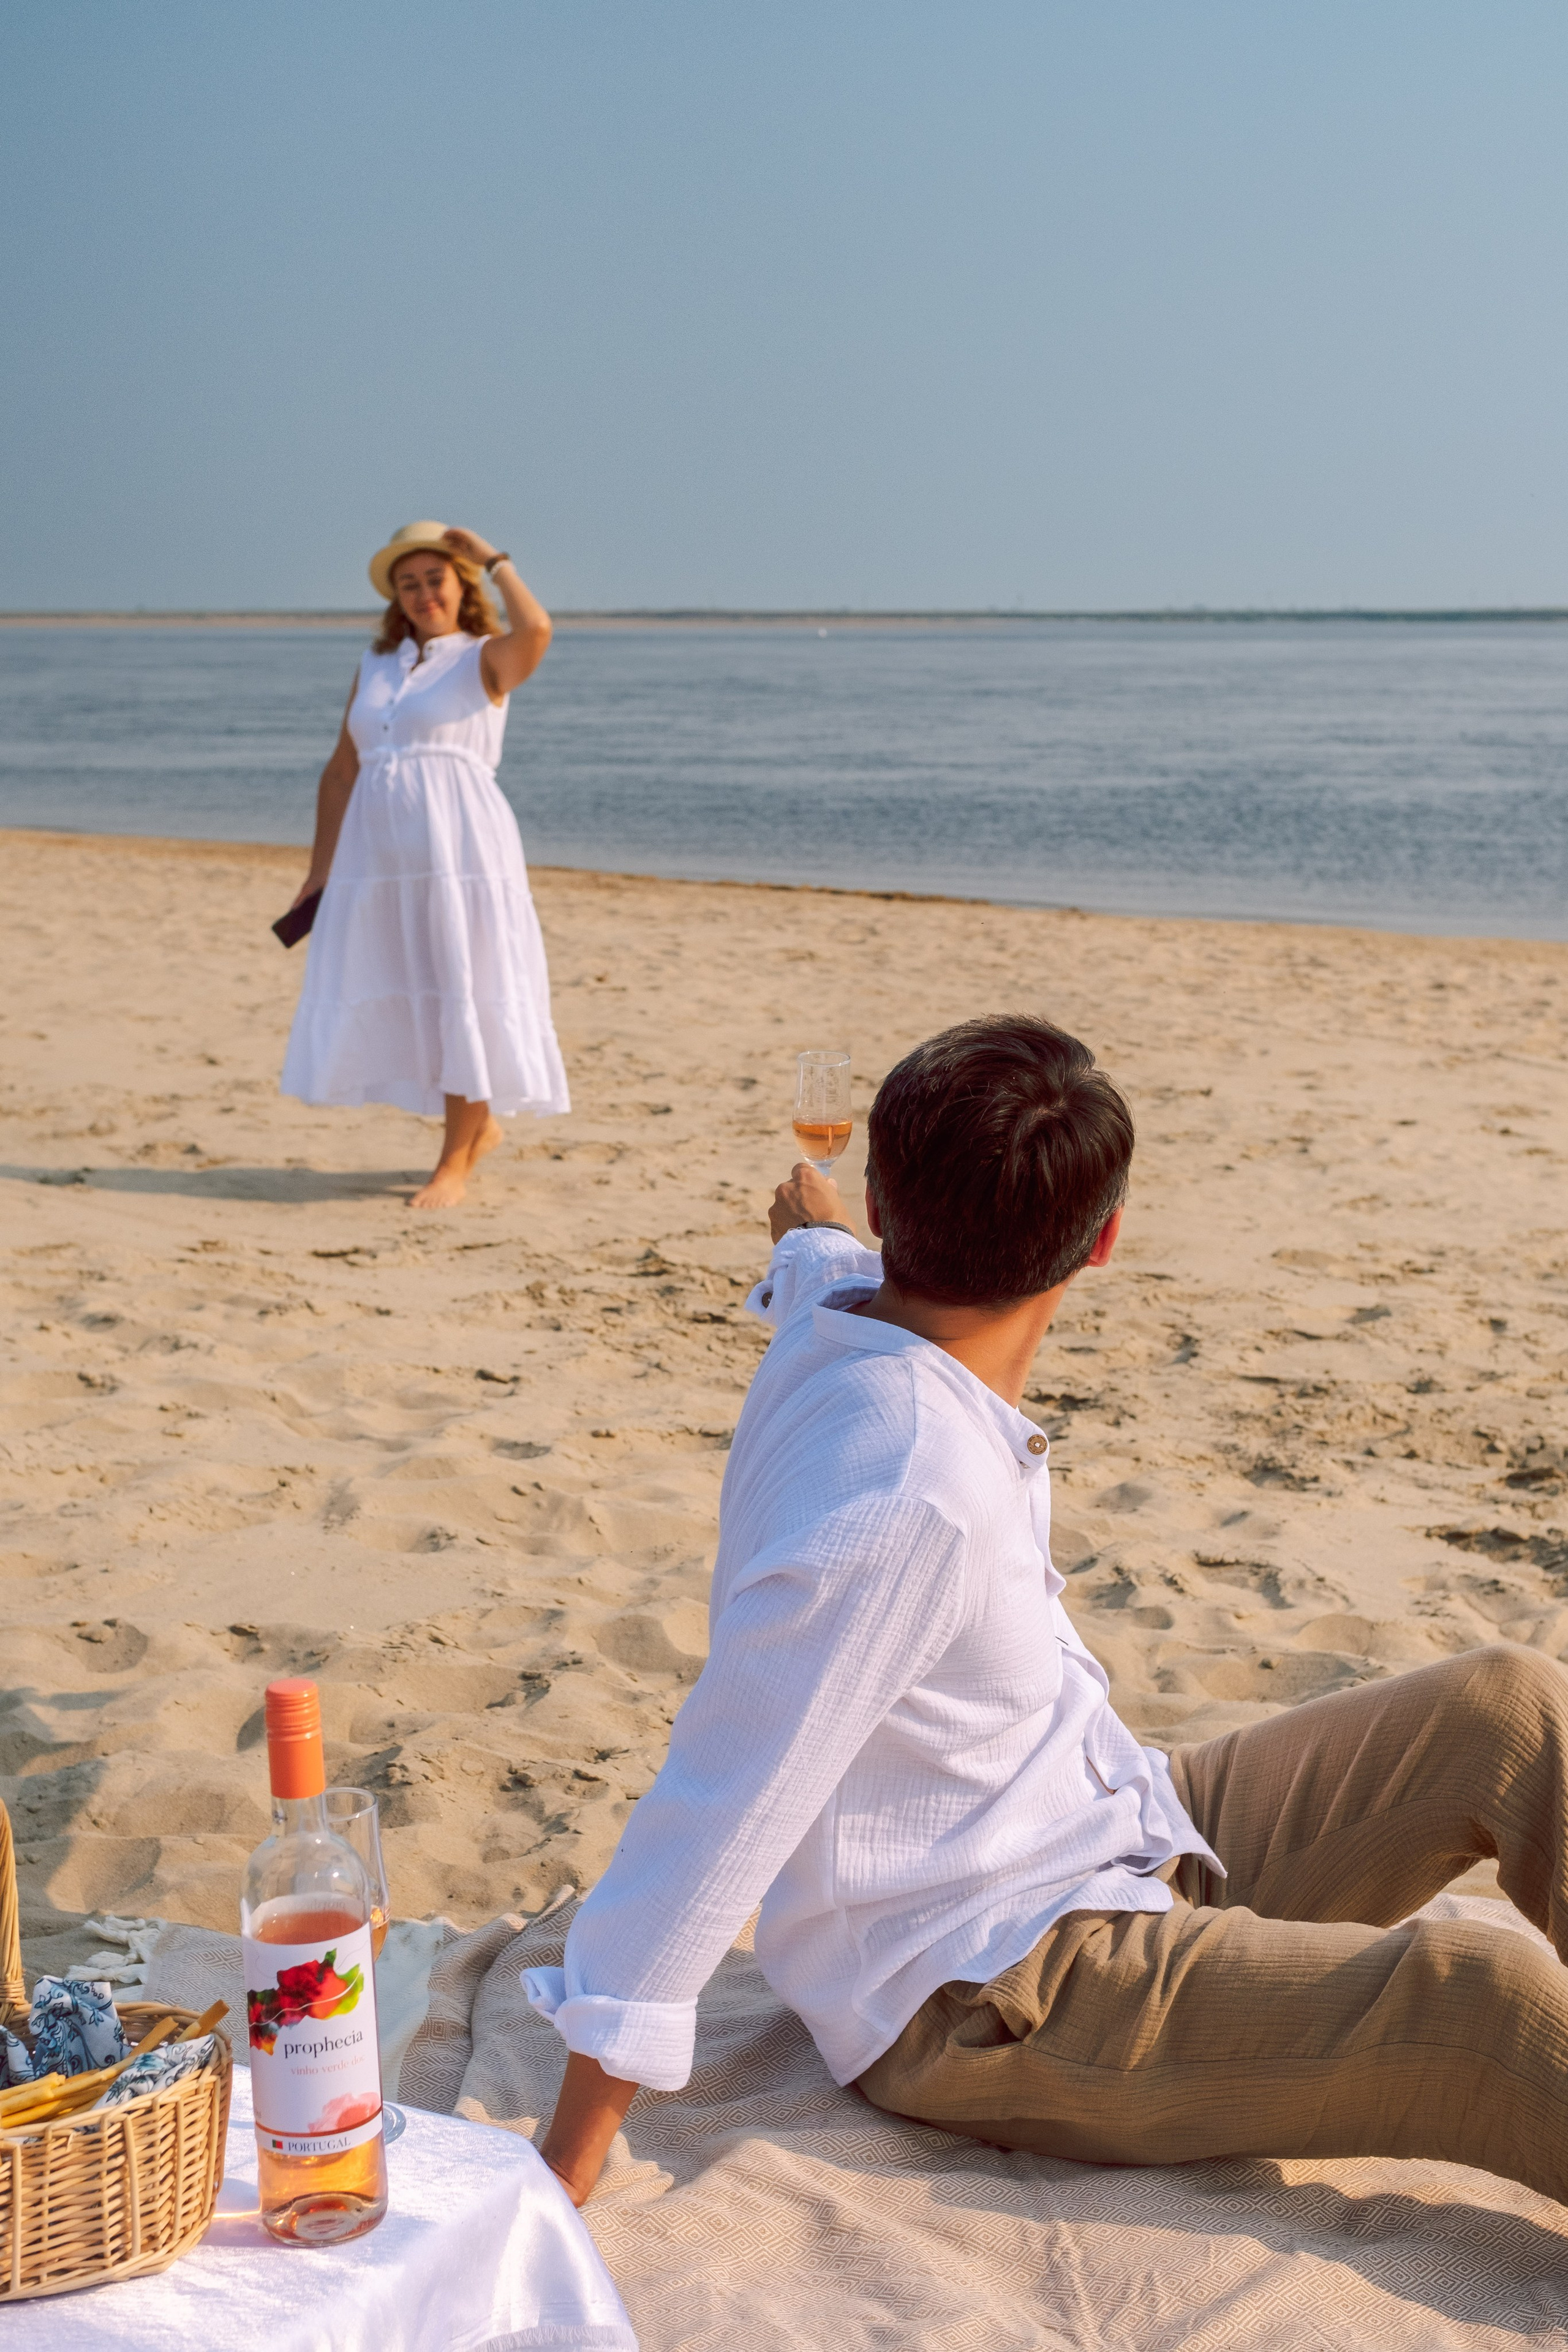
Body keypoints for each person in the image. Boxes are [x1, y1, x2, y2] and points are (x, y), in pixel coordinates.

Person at [528, 1014, 1568, 2212]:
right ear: (1105, 1245)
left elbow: (821, 1267)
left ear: (881, 1203)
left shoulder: (840, 1317)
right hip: (989, 1992)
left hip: (1104, 1828)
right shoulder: (912, 1500)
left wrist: (811, 1230)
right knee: (1474, 1998)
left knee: (1509, 1708)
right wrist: (570, 2156)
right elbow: (718, 1809)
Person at [281, 521, 570, 1207]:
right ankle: (481, 1128)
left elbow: (539, 629)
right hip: (378, 864)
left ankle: (454, 1166)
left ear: (459, 582)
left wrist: (495, 560)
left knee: (460, 990)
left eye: (433, 578)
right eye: (406, 584)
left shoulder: (484, 657)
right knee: (417, 991)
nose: (420, 594)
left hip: (462, 855)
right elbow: (341, 772)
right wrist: (319, 871)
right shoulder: (376, 665)